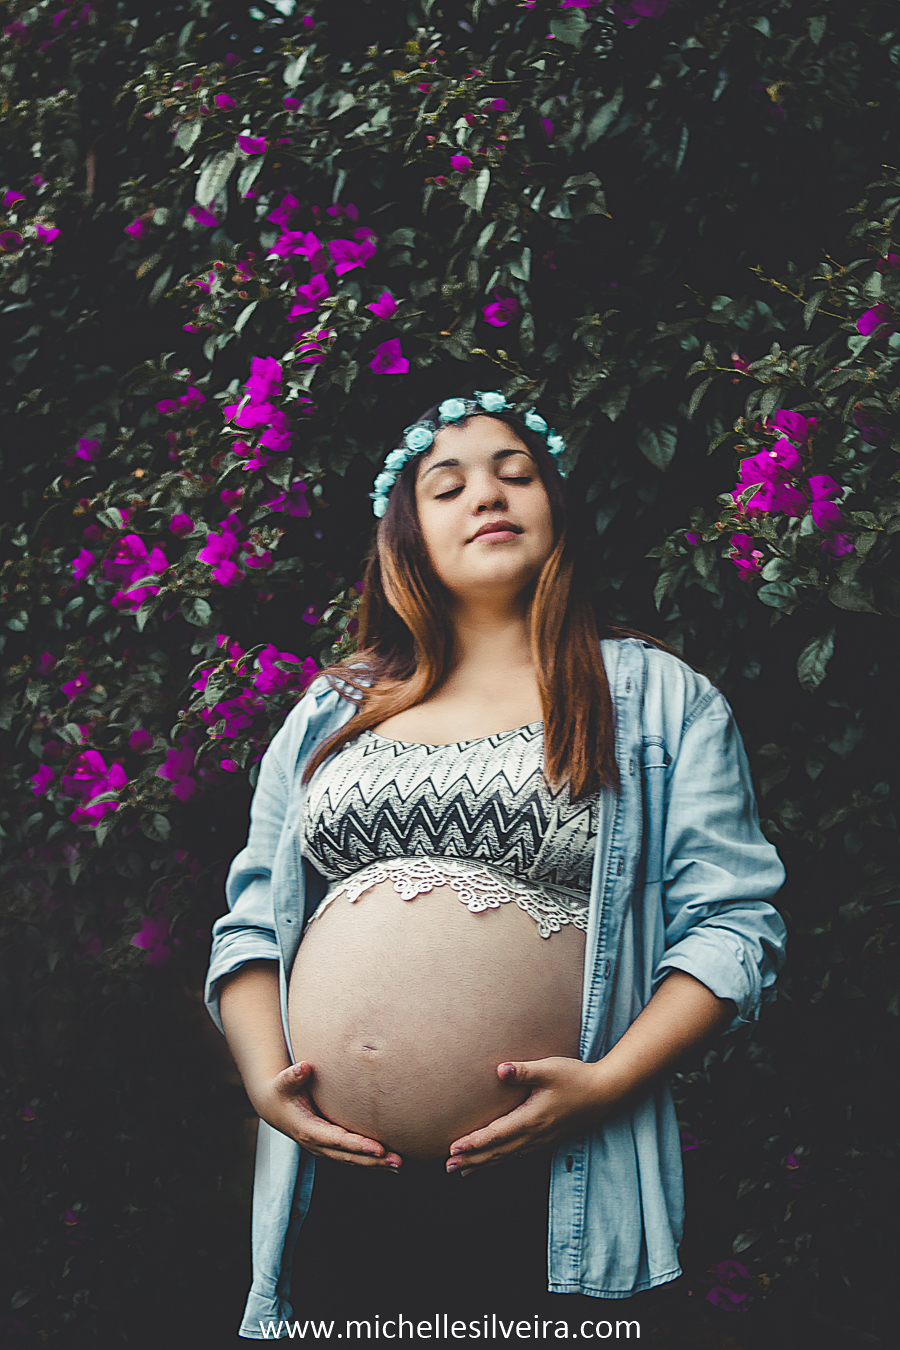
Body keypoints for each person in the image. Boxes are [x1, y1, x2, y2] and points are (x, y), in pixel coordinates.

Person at [204, 390, 788, 1340]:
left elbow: (734, 927)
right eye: (450, 486)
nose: (489, 496)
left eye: (517, 475)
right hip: (341, 1191)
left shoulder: (652, 695)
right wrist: (270, 1083)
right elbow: (251, 921)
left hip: (555, 1185)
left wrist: (608, 1084)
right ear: (408, 535)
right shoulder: (330, 711)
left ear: (555, 509)